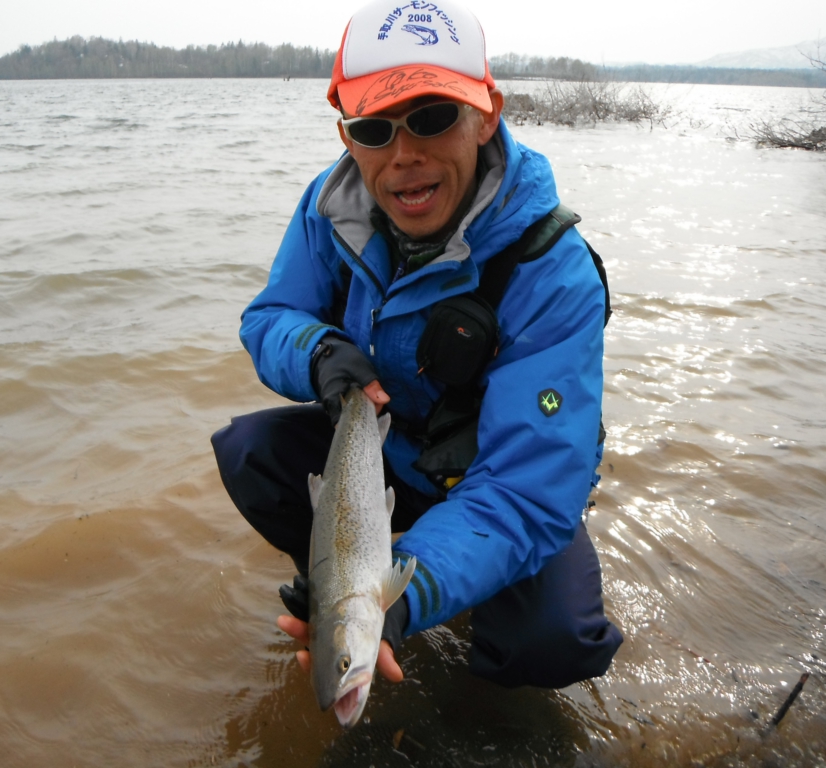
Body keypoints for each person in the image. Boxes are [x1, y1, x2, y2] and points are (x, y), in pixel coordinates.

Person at [211, 0, 622, 693]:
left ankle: (416, 601)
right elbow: (271, 315)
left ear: (486, 113)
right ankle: (339, 582)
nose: (404, 156)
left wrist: (399, 602)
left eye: (432, 118)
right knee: (249, 452)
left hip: (497, 479)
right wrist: (316, 352)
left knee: (553, 643)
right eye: (374, 129)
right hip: (386, 458)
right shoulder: (329, 209)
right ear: (347, 137)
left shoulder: (552, 268)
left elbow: (528, 486)